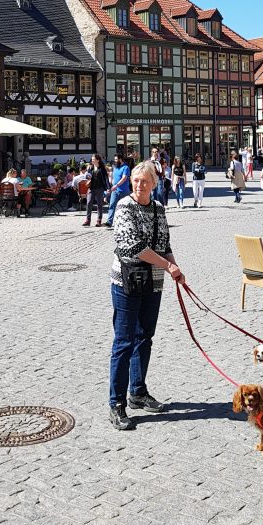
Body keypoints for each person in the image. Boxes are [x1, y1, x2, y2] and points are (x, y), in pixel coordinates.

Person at [108, 161, 185, 430]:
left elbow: (165, 243)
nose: (140, 184)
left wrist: (175, 267)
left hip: (153, 282)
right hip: (126, 282)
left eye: (145, 180)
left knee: (145, 338)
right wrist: (168, 266)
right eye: (136, 180)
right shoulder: (124, 207)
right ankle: (116, 403)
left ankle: (138, 392)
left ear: (154, 183)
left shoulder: (158, 208)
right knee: (124, 342)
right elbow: (134, 246)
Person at [83, 153, 109, 226]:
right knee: (89, 203)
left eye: (93, 159)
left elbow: (106, 178)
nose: (92, 160)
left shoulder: (102, 168)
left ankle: (99, 220)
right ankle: (88, 220)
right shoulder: (90, 168)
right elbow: (87, 177)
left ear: (98, 160)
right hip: (91, 188)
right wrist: (87, 175)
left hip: (99, 188)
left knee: (99, 204)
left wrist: (108, 188)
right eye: (92, 159)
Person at [105, 154, 130, 228]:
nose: (115, 161)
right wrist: (110, 186)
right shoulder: (115, 167)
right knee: (112, 205)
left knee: (124, 207)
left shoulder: (126, 167)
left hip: (124, 191)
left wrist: (117, 185)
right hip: (115, 191)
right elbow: (113, 177)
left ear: (120, 159)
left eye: (116, 159)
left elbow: (124, 178)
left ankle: (125, 222)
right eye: (115, 159)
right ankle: (109, 222)